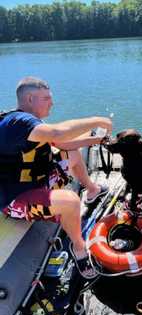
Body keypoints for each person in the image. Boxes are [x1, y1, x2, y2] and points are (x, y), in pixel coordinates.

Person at [0, 76, 112, 279]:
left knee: (74, 154)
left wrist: (96, 139)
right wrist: (97, 120)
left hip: (37, 182)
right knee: (70, 202)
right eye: (46, 98)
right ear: (30, 99)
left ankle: (92, 190)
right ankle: (78, 249)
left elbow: (62, 144)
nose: (52, 102)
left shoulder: (30, 123)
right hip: (15, 199)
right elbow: (58, 133)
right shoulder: (17, 122)